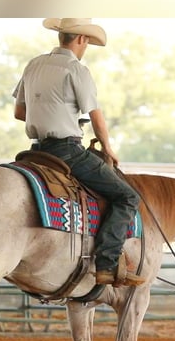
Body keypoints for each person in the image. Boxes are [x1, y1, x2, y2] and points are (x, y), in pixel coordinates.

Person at [13, 18, 145, 287]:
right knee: (127, 196)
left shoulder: (34, 64)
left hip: (36, 150)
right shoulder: (76, 69)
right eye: (87, 43)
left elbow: (19, 112)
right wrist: (107, 147)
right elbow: (96, 117)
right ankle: (107, 264)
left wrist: (53, 115)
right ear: (81, 40)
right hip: (67, 151)